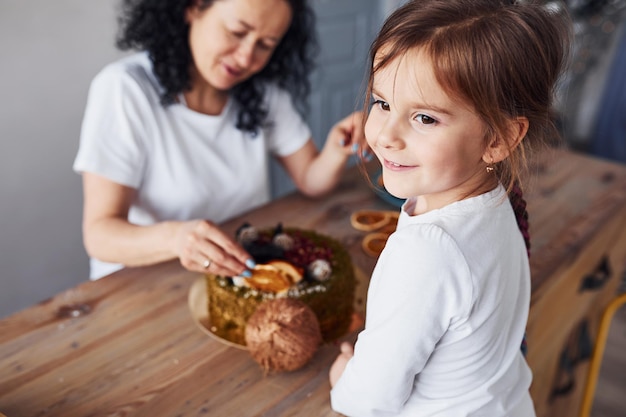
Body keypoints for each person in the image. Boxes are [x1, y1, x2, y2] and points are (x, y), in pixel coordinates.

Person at [329, 0, 571, 416]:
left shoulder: (426, 252)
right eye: (383, 103)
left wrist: (343, 378)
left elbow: (367, 400)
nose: (386, 134)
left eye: (425, 118)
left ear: (499, 139)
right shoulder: (498, 198)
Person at [73, 0, 364, 280]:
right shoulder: (125, 88)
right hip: (142, 284)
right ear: (193, 7)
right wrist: (177, 239)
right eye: (236, 33)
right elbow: (100, 235)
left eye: (265, 45)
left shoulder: (262, 92)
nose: (245, 58)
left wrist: (339, 147)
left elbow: (310, 178)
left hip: (235, 271)